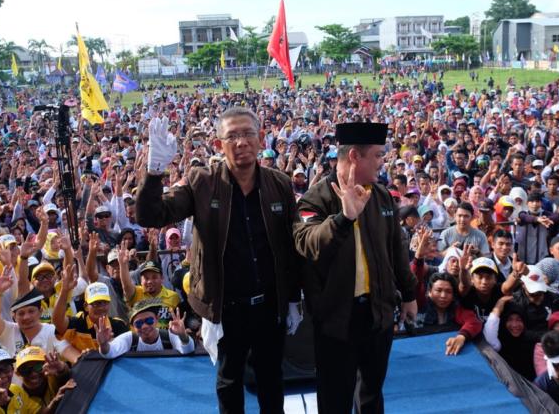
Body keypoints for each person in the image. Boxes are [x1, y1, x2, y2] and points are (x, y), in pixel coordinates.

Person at [135, 107, 302, 414]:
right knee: (229, 380)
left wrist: (292, 298)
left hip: (269, 304)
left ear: (261, 137)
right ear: (218, 145)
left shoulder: (279, 184)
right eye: (232, 136)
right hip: (227, 306)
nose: (241, 142)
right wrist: (155, 171)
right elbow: (151, 215)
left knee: (271, 378)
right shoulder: (202, 183)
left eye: (248, 134)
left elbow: (290, 247)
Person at [294, 122, 417, 414]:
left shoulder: (382, 196)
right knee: (335, 397)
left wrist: (409, 294)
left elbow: (396, 250)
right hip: (336, 319)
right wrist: (344, 218)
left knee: (371, 394)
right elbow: (308, 243)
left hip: (378, 314)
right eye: (376, 155)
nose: (382, 162)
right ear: (354, 157)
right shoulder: (317, 199)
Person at [96, 297, 195, 358]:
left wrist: (183, 335)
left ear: (157, 319)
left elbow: (188, 350)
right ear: (132, 326)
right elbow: (110, 353)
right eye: (138, 323)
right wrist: (104, 344)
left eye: (149, 321)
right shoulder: (129, 339)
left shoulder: (169, 336)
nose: (144, 326)